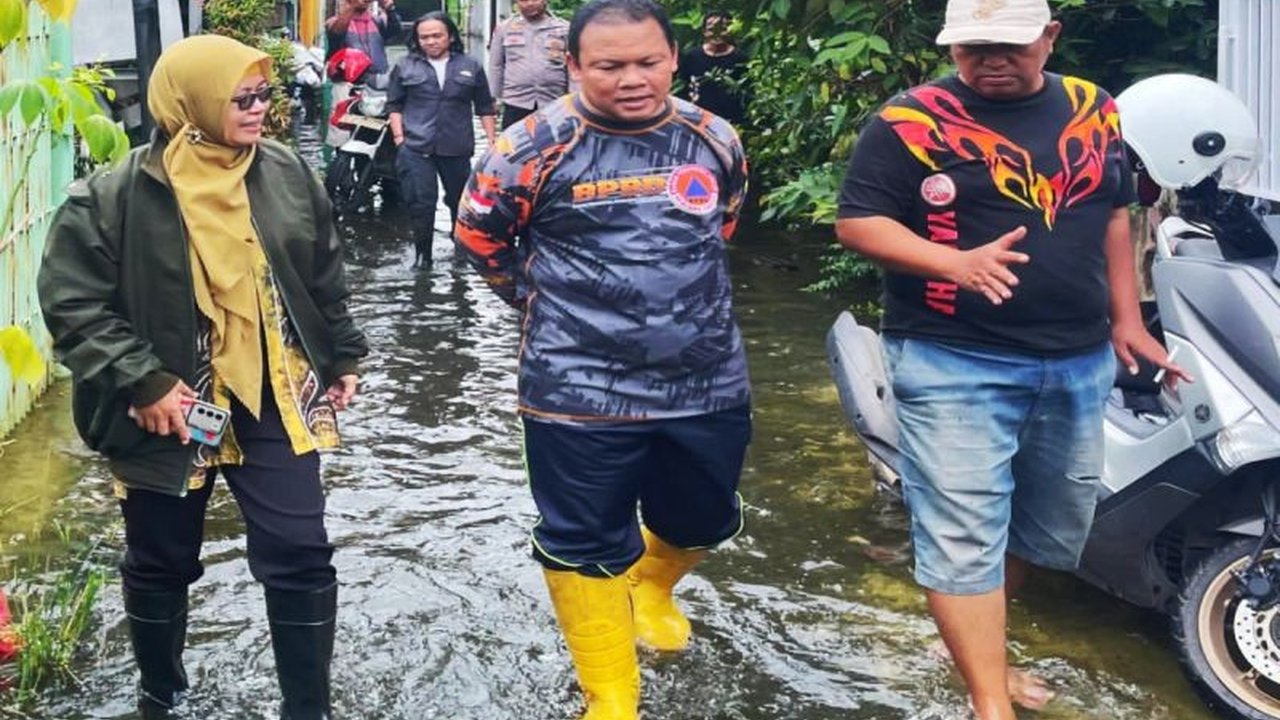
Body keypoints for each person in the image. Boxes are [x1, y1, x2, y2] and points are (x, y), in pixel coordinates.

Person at [834, 1, 1189, 718]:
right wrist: (952, 262)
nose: (991, 59)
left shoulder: (1092, 108)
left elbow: (1112, 213)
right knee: (964, 530)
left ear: (1049, 37)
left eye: (1010, 44)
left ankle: (970, 650)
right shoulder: (911, 121)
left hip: (1077, 357)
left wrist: (1128, 319)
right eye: (974, 47)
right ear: (951, 47)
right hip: (950, 358)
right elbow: (857, 221)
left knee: (1045, 522)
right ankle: (989, 700)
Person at [38, 35, 368, 720]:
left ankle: (308, 707)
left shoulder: (282, 171)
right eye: (239, 98)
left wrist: (341, 356)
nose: (257, 110)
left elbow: (322, 272)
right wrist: (143, 382)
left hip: (272, 392)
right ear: (190, 105)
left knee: (301, 550)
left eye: (263, 95)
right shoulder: (111, 195)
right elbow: (72, 304)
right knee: (161, 557)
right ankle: (161, 693)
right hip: (167, 405)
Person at [455, 0, 751, 717]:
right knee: (581, 539)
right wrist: (550, 304)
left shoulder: (712, 138)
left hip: (706, 379)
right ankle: (611, 696)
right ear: (575, 66)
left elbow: (723, 225)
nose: (632, 79)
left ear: (674, 58)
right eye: (609, 65)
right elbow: (479, 238)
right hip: (575, 386)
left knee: (703, 518)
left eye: (647, 61)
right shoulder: (529, 146)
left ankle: (651, 587)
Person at [389, 12, 497, 269]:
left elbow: (484, 107)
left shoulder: (470, 66)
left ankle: (460, 250)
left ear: (450, 36)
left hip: (456, 146)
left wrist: (493, 142)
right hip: (415, 147)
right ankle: (422, 256)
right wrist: (399, 139)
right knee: (421, 202)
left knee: (459, 200)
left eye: (437, 35)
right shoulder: (405, 66)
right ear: (417, 39)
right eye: (424, 37)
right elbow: (394, 105)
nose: (431, 41)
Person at [487, 0, 571, 129]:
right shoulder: (504, 29)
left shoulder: (564, 29)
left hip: (554, 102)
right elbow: (496, 66)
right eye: (524, 0)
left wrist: (575, 98)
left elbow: (573, 66)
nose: (530, 4)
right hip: (516, 102)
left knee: (554, 146)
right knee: (514, 146)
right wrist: (493, 98)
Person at [676, 11, 749, 126]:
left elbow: (747, 94)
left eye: (722, 29)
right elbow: (683, 88)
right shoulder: (692, 57)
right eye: (711, 29)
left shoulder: (740, 59)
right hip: (699, 122)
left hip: (732, 123)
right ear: (704, 32)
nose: (717, 34)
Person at [326, 0, 402, 74]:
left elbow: (395, 31)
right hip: (348, 82)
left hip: (378, 81)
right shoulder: (334, 22)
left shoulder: (376, 21)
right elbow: (336, 34)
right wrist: (353, 7)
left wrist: (389, 8)